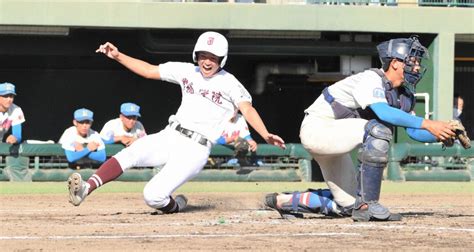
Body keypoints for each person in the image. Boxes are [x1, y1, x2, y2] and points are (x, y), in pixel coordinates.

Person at [67, 31, 286, 214]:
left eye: (213, 57)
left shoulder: (230, 83)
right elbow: (149, 70)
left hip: (196, 149)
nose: (207, 61)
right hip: (171, 135)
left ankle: (177, 205)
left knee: (152, 196)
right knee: (131, 152)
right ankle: (86, 188)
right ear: (196, 55)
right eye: (202, 55)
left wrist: (265, 134)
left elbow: (247, 108)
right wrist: (117, 56)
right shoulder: (186, 70)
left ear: (222, 59)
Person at [265, 36, 456, 222]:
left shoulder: (404, 95)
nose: (416, 66)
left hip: (335, 140)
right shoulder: (371, 79)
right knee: (378, 131)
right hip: (317, 129)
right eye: (412, 61)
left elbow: (413, 131)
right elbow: (384, 113)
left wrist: (441, 133)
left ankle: (284, 201)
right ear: (396, 63)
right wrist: (430, 124)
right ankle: (369, 205)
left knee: (347, 206)